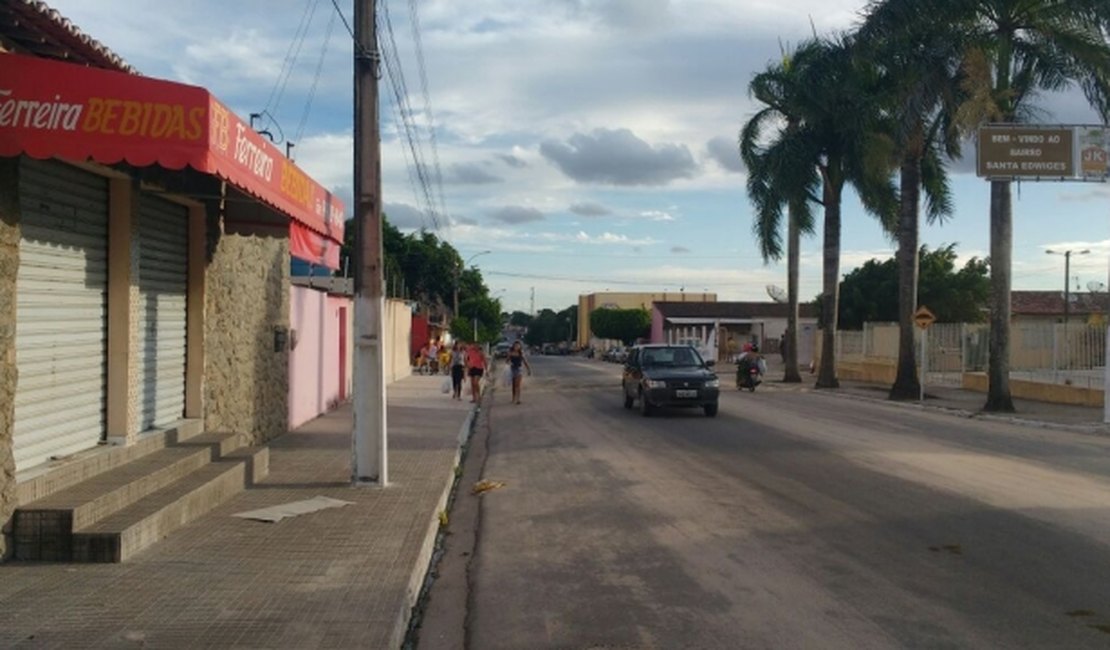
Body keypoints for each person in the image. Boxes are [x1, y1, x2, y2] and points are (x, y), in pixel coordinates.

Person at [507, 340, 532, 404]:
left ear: (520, 346)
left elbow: (525, 362)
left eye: (518, 346)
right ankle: (513, 398)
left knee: (517, 385)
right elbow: (507, 361)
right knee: (513, 385)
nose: (516, 347)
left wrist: (528, 369)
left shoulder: (521, 353)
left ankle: (518, 399)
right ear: (513, 346)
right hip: (512, 369)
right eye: (515, 345)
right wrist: (509, 362)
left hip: (519, 369)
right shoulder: (510, 353)